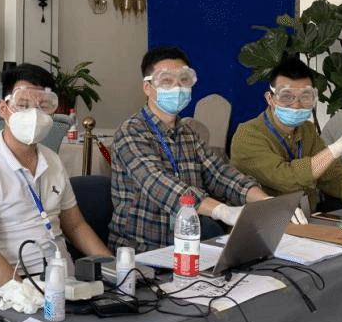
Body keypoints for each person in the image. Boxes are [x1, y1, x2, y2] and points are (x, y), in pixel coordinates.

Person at [0, 63, 112, 292]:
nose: (34, 114)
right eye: (22, 105)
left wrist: (115, 269)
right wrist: (28, 296)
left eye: (43, 106)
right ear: (3, 109)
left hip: (65, 280)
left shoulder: (52, 160)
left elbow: (76, 226)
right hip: (14, 286)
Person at [109, 46, 275, 252]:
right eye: (167, 81)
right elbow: (160, 185)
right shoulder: (130, 132)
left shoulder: (188, 133)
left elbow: (219, 174)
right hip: (143, 250)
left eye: (184, 80)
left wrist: (264, 201)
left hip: (189, 245)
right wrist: (221, 211)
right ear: (147, 87)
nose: (177, 87)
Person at [231, 55, 342, 213]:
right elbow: (285, 179)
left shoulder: (307, 130)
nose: (296, 105)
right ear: (270, 98)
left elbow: (333, 176)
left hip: (307, 218)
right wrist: (335, 149)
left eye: (305, 97)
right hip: (265, 220)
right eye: (286, 96)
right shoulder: (247, 135)